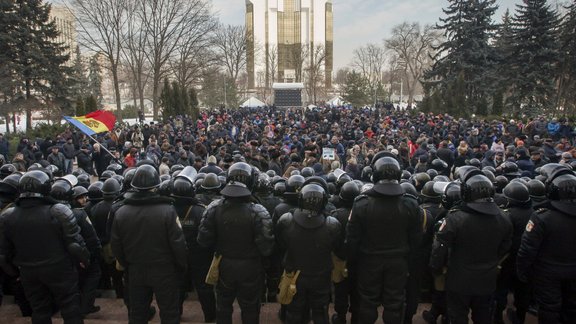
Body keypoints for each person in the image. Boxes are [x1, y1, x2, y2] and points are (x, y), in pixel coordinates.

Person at [0, 170, 90, 324]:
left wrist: (15, 272)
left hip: (28, 270)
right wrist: (85, 260)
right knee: (69, 306)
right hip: (59, 268)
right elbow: (75, 245)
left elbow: (3, 254)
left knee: (39, 309)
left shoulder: (8, 216)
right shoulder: (58, 211)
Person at [346, 151, 422, 324]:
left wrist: (353, 262)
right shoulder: (410, 204)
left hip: (369, 260)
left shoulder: (362, 203)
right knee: (394, 303)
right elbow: (416, 240)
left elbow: (352, 240)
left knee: (368, 301)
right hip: (398, 261)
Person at [430, 168, 512, 324]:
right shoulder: (504, 217)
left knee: (458, 316)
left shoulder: (455, 218)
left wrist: (436, 269)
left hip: (458, 279)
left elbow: (439, 248)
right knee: (483, 316)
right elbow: (505, 247)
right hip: (487, 278)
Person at [198, 162, 275, 324]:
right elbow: (267, 247)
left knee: (223, 306)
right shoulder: (257, 211)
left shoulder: (214, 208)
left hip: (224, 264)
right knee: (250, 308)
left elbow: (203, 241)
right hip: (250, 267)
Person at [111, 165, 187, 324]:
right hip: (164, 270)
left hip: (135, 269)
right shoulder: (168, 211)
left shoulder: (121, 212)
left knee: (138, 313)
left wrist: (128, 265)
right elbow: (178, 244)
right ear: (156, 186)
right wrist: (180, 266)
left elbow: (116, 246)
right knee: (169, 312)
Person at [276, 181, 342, 324]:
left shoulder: (287, 221)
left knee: (294, 311)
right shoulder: (332, 225)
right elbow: (336, 248)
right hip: (320, 275)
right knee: (320, 311)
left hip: (295, 274)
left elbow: (281, 244)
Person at [517, 166, 576, 324]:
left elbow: (528, 248)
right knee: (571, 306)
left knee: (549, 308)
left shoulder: (542, 216)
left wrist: (522, 270)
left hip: (547, 272)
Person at [171, 167, 216, 322]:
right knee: (204, 288)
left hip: (176, 255)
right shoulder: (200, 211)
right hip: (199, 255)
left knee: (178, 286)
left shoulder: (168, 209)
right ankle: (210, 316)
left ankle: (175, 315)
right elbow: (207, 235)